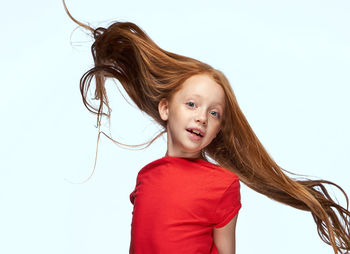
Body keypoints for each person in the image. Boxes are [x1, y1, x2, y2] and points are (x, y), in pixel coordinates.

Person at [63, 1, 350, 253]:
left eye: (214, 113)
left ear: (218, 129)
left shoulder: (223, 185)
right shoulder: (145, 178)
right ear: (165, 108)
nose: (202, 117)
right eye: (192, 104)